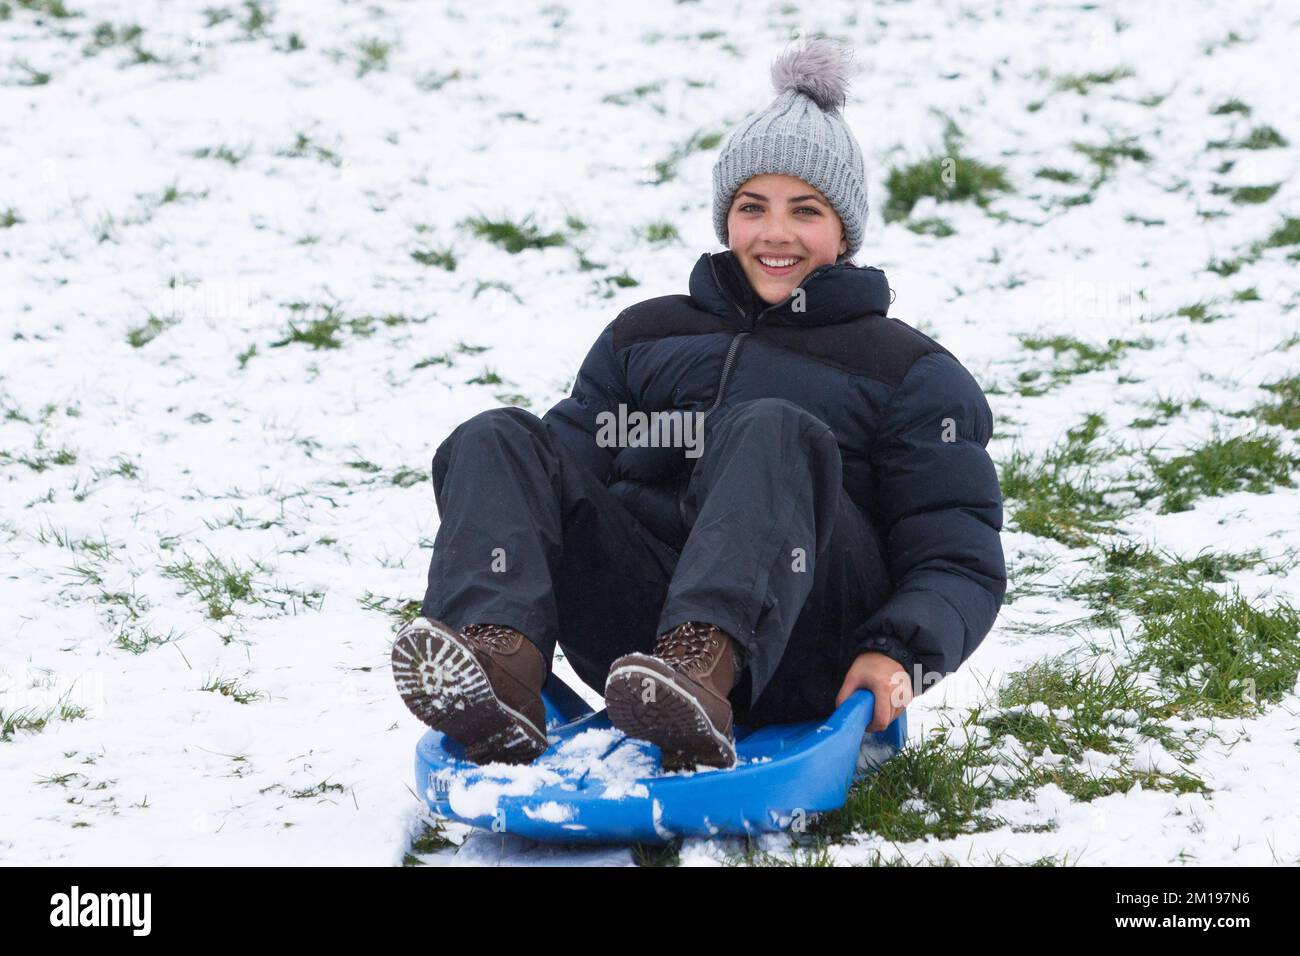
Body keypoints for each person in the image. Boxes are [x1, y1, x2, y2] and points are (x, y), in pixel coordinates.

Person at [391, 37, 1006, 771]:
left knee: (773, 429)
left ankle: (707, 663)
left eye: (805, 210)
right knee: (498, 437)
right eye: (753, 207)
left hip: (803, 645)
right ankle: (500, 669)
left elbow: (957, 558)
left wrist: (897, 653)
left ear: (844, 232)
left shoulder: (909, 372)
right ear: (726, 220)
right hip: (638, 655)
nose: (776, 233)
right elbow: (553, 482)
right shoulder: (645, 336)